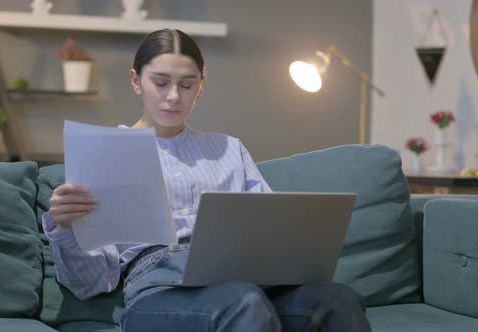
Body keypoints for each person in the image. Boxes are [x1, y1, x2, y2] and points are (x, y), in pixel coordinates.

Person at [43, 28, 371, 332]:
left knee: (337, 299)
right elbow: (90, 284)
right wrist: (66, 229)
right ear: (136, 80)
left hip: (240, 280)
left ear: (201, 85)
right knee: (243, 302)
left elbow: (274, 236)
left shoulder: (228, 149)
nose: (173, 96)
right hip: (158, 290)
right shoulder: (105, 153)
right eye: (161, 82)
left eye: (187, 85)